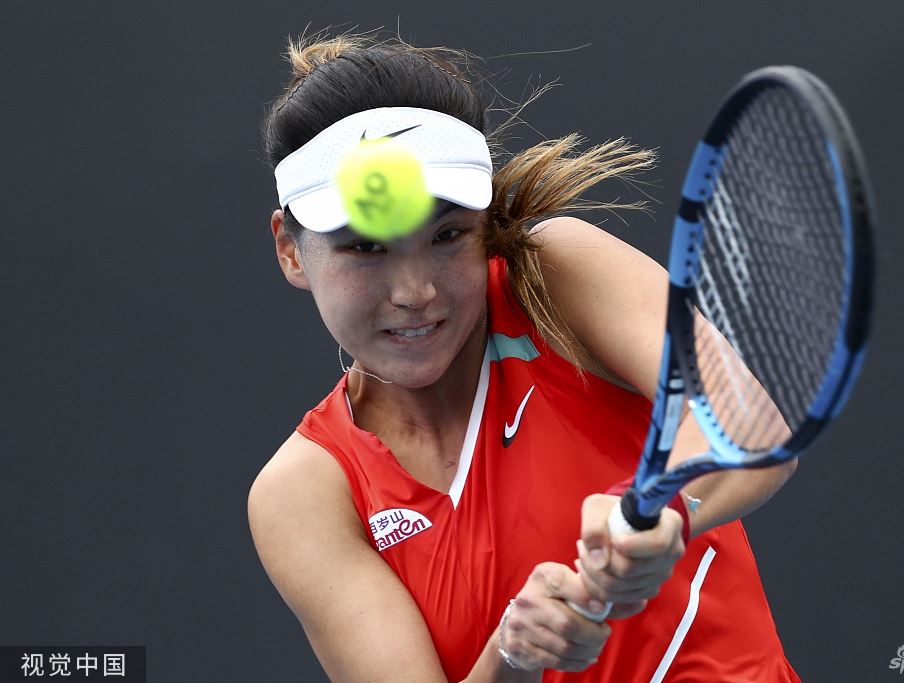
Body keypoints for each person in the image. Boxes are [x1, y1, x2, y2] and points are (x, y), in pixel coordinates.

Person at [248, 31, 801, 682]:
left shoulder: (553, 276)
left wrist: (661, 506)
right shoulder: (303, 495)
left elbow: (749, 423)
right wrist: (514, 653)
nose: (415, 292)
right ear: (290, 249)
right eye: (366, 248)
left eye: (448, 235)